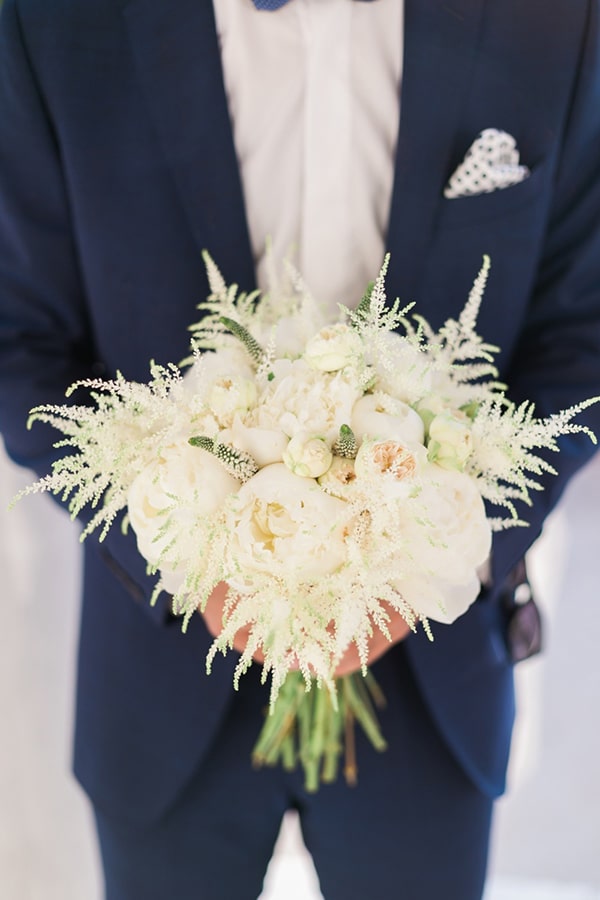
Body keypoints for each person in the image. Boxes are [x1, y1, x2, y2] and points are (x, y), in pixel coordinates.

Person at [1, 0, 599, 897]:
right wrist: (181, 555)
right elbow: (20, 343)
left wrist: (438, 556)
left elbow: (581, 333)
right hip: (163, 682)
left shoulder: (552, 16)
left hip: (429, 681)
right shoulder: (53, 20)